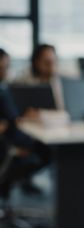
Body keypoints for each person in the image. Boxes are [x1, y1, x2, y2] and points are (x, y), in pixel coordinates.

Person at [1, 48, 52, 196]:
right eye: (4, 67)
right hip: (9, 143)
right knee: (47, 150)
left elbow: (12, 118)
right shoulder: (3, 91)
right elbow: (12, 120)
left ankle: (10, 184)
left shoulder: (4, 88)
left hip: (14, 137)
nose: (6, 71)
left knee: (45, 148)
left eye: (7, 67)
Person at [15, 44, 64, 110]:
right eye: (47, 62)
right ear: (36, 62)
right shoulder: (22, 82)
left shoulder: (61, 82)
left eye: (53, 62)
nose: (51, 67)